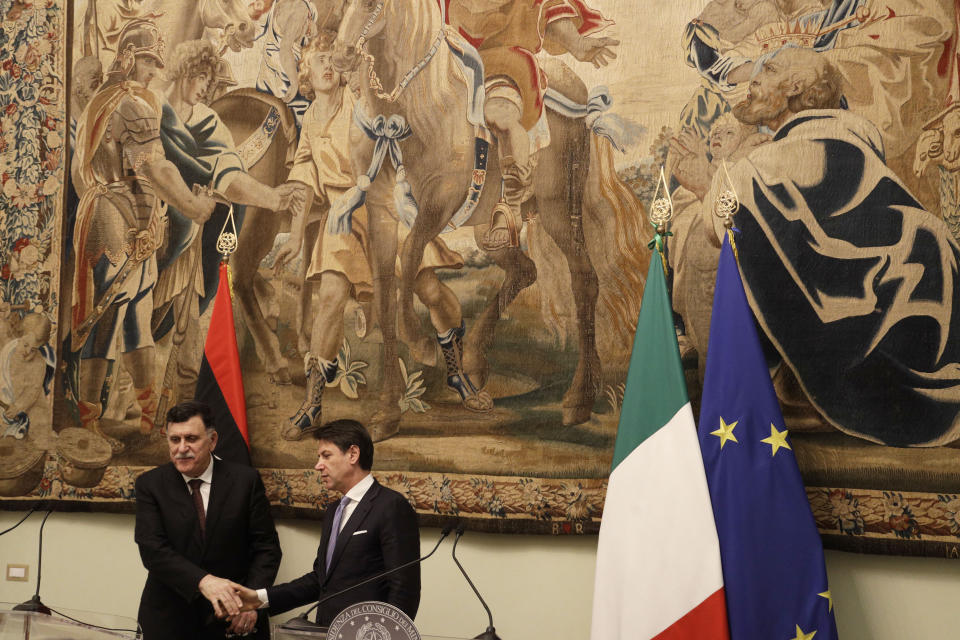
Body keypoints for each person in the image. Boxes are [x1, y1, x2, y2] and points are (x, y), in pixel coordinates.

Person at [700, 46, 960, 447]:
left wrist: (723, 169)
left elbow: (719, 223)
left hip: (866, 354)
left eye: (767, 71)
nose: (752, 79)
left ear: (796, 87)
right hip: (918, 330)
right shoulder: (855, 149)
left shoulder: (766, 165)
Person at [275, 36, 485, 442]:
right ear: (305, 72)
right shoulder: (310, 122)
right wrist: (297, 235)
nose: (326, 66)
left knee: (427, 288)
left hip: (384, 204)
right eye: (317, 60)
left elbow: (391, 134)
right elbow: (302, 180)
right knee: (332, 297)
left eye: (330, 59)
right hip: (343, 216)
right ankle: (312, 404)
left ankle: (457, 373)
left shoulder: (359, 102)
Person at [69, 19, 219, 453]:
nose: (155, 71)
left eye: (157, 62)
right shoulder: (132, 102)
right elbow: (153, 167)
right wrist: (191, 206)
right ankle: (90, 419)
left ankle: (149, 415)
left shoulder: (103, 100)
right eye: (150, 62)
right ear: (131, 58)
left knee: (137, 312)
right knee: (107, 315)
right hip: (114, 217)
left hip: (124, 213)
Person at [155, 39, 301, 404]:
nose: (207, 86)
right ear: (183, 73)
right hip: (150, 231)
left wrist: (272, 197)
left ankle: (176, 411)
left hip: (192, 240)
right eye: (201, 77)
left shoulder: (208, 121)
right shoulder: (151, 111)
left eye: (210, 78)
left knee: (190, 325)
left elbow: (229, 174)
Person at [445, 0, 618, 249]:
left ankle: (510, 205)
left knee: (500, 115)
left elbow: (547, 7)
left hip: (501, 62)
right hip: (444, 65)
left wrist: (577, 44)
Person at [230, 419, 421, 626]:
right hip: (327, 630)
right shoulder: (333, 511)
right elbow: (320, 581)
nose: (318, 465)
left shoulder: (391, 506)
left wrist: (391, 633)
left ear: (353, 454)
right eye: (318, 457)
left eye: (326, 456)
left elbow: (404, 589)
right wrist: (260, 598)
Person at [134, 400, 282, 639]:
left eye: (191, 439)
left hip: (233, 619)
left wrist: (252, 602)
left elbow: (267, 549)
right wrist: (203, 581)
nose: (182, 448)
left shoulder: (245, 481)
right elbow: (153, 550)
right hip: (169, 620)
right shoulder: (150, 485)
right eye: (175, 440)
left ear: (212, 440)